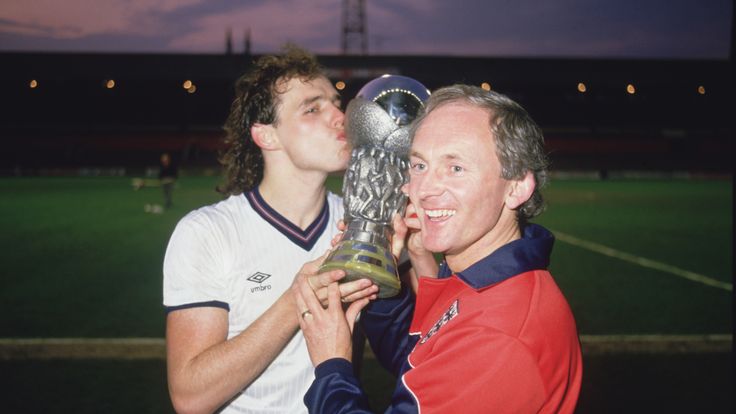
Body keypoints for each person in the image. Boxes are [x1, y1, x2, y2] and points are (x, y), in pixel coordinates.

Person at [294, 84, 583, 413]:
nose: (424, 190)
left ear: (516, 187)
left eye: (455, 168)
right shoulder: (478, 278)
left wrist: (332, 365)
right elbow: (418, 359)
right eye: (419, 166)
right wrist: (382, 280)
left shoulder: (498, 333)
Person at [162, 45, 379, 414]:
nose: (339, 117)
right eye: (313, 108)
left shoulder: (362, 224)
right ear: (267, 136)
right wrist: (297, 299)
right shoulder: (208, 232)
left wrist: (418, 257)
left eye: (335, 103)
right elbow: (190, 396)